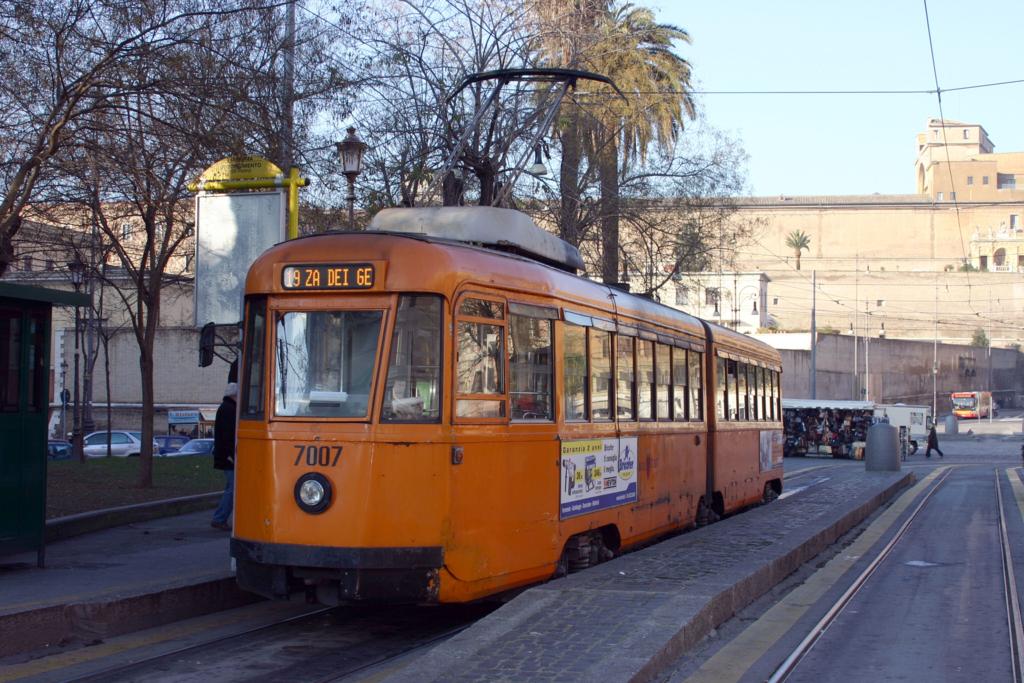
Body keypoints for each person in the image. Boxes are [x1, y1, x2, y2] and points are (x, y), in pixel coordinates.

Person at [211, 383, 238, 530]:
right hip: (229, 457)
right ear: (235, 395)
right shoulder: (230, 410)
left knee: (231, 487)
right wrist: (232, 455)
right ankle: (219, 518)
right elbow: (228, 435)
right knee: (232, 489)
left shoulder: (225, 408)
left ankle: (220, 517)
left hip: (226, 456)